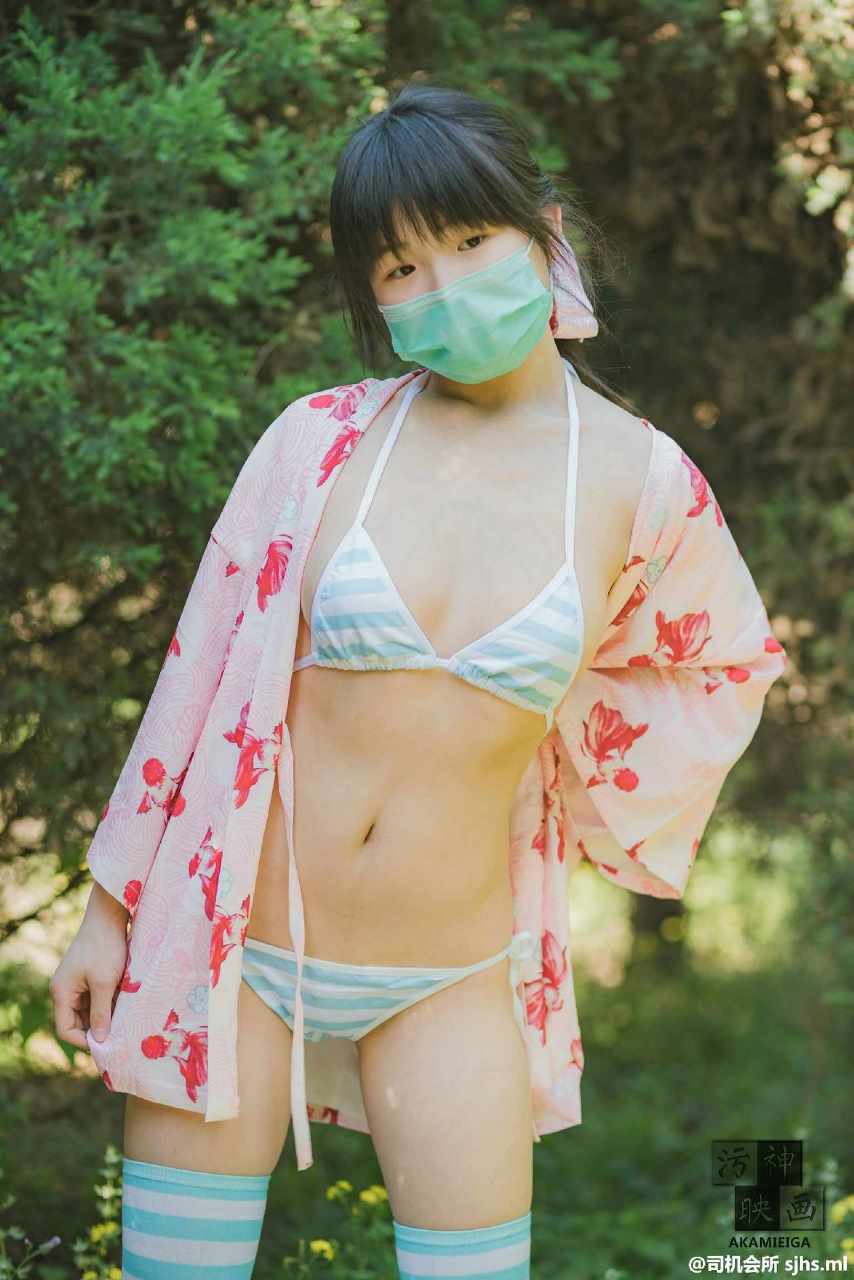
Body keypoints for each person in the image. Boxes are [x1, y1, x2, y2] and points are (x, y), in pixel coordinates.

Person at [50, 81, 786, 1280]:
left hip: (446, 977)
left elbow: (723, 661)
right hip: (230, 950)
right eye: (399, 267)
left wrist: (572, 759)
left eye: (470, 241)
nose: (441, 285)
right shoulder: (317, 441)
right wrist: (108, 906)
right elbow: (197, 675)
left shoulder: (642, 484)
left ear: (543, 233)